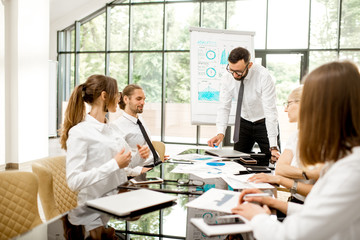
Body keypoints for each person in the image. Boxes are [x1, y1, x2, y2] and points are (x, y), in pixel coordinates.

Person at [231, 61, 360, 240]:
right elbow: (315, 212)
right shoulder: (343, 158)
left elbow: (289, 236)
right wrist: (270, 201)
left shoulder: (352, 169)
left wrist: (257, 217)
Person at [60, 75, 149, 239]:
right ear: (104, 96)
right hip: (92, 213)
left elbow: (124, 166)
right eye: (117, 94)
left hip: (112, 206)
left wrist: (140, 158)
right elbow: (74, 182)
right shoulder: (80, 132)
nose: (119, 98)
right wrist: (114, 164)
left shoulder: (111, 128)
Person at [248, 86, 322, 204]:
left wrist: (284, 177)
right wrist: (308, 174)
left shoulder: (326, 138)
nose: (285, 110)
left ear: (304, 103)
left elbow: (319, 191)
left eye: (288, 103)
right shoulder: (296, 135)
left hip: (312, 206)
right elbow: (280, 169)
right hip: (294, 200)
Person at [207, 47, 280, 164]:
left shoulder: (263, 76)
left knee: (272, 161)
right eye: (231, 70)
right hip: (243, 122)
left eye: (239, 72)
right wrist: (221, 132)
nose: (235, 75)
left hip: (264, 123)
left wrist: (273, 146)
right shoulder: (227, 77)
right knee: (238, 162)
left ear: (249, 65)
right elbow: (224, 107)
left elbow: (270, 111)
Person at [111, 84, 165, 174]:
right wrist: (140, 171)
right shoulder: (117, 126)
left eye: (144, 99)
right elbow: (118, 163)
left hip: (156, 165)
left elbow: (146, 145)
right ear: (126, 99)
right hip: (143, 170)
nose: (143, 102)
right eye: (139, 99)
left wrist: (156, 156)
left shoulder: (140, 119)